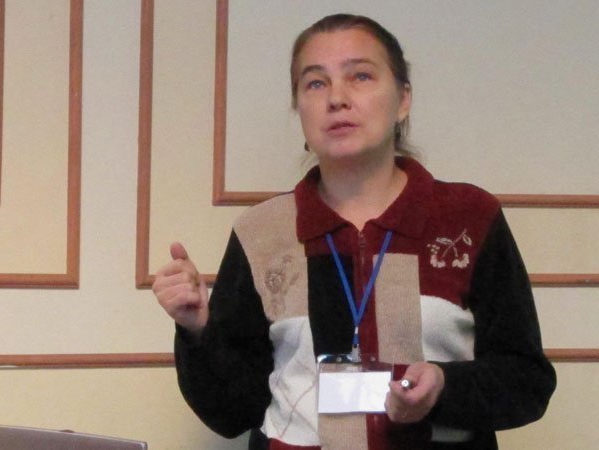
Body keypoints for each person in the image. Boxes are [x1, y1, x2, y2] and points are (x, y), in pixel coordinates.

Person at [152, 13, 556, 450]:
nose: (337, 98)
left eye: (360, 76)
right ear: (299, 107)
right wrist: (198, 331)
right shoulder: (261, 232)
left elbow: (526, 381)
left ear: (403, 99)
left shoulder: (469, 217)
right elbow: (232, 412)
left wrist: (444, 386)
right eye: (315, 83)